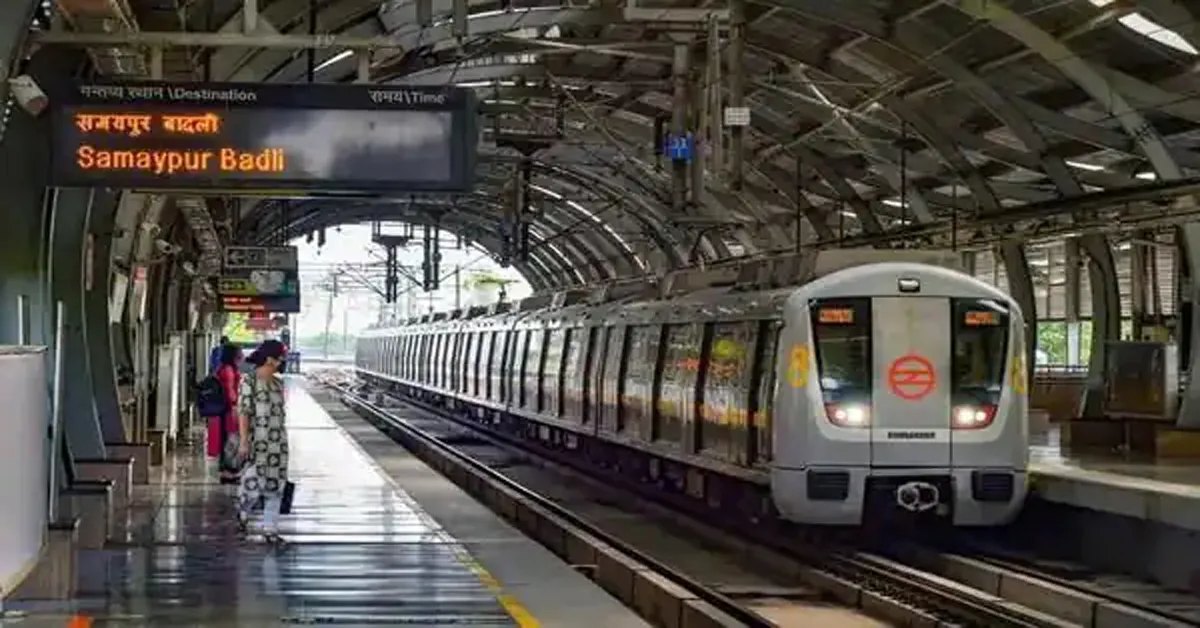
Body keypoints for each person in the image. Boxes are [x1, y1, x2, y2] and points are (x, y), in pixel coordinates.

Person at [236, 339, 290, 545]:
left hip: (279, 443)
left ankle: (270, 529)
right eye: (280, 357)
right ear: (269, 359)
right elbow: (243, 412)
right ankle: (243, 511)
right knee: (253, 482)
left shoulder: (278, 384)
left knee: (276, 485)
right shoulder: (248, 381)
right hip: (257, 441)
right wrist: (243, 441)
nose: (282, 361)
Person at [213, 344, 243, 484]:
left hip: (225, 410)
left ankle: (228, 472)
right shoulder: (228, 370)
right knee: (230, 441)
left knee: (228, 440)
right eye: (239, 352)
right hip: (228, 411)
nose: (242, 355)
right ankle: (228, 473)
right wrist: (235, 406)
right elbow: (229, 391)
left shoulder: (225, 369)